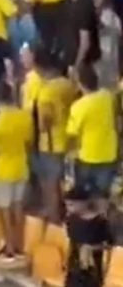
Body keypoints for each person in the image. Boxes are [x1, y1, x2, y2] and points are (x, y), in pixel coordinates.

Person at [0, 81, 32, 262]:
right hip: (21, 167)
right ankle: (19, 245)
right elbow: (28, 142)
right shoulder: (24, 116)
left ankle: (10, 248)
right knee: (19, 207)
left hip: (3, 170)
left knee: (4, 211)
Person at [27, 45, 76, 223]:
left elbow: (43, 124)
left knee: (51, 185)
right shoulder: (68, 84)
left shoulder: (46, 93)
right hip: (68, 140)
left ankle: (55, 221)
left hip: (50, 144)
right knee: (65, 183)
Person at [67, 65, 119, 196]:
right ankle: (101, 215)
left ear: (79, 83)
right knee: (102, 195)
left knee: (84, 196)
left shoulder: (78, 107)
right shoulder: (108, 96)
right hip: (108, 154)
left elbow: (72, 134)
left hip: (87, 156)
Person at [63, 186, 111, 287]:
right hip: (75, 267)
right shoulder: (71, 219)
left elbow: (108, 245)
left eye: (71, 205)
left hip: (93, 269)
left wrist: (91, 248)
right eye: (67, 205)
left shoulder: (99, 222)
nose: (68, 208)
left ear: (83, 203)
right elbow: (71, 242)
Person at [61, 0, 102, 72]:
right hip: (71, 59)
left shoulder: (84, 5)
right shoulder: (67, 0)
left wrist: (77, 66)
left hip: (84, 63)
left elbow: (85, 42)